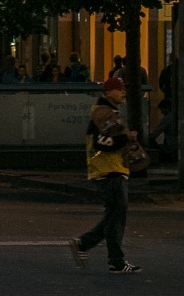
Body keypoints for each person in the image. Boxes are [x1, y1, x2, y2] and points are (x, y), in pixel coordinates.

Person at [70, 74, 140, 275]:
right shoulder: (103, 114)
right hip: (109, 170)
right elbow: (103, 142)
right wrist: (125, 139)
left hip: (111, 169)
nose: (123, 92)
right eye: (119, 89)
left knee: (114, 215)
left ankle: (87, 245)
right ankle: (114, 261)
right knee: (116, 216)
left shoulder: (107, 113)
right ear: (108, 92)